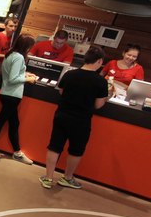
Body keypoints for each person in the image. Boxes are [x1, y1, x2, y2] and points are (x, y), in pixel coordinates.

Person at [41, 45, 109, 190]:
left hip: (62, 115)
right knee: (76, 150)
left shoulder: (70, 74)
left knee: (54, 146)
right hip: (82, 120)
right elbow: (98, 105)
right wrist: (107, 98)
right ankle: (67, 178)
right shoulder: (101, 81)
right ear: (99, 61)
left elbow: (61, 91)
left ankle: (48, 178)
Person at [0, 34, 38, 163]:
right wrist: (28, 79)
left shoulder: (10, 54)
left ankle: (16, 152)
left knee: (13, 123)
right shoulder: (19, 57)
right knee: (1, 122)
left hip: (7, 93)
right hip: (12, 95)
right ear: (27, 46)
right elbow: (13, 79)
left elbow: (11, 73)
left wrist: (24, 73)